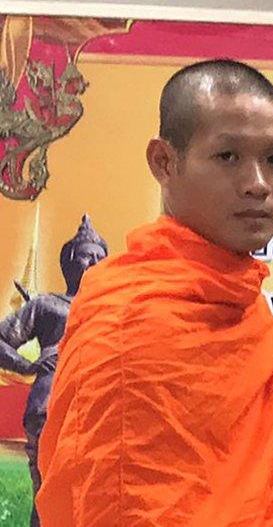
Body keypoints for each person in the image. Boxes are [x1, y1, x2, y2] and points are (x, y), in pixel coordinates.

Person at [36, 59, 273, 526]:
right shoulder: (130, 324)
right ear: (164, 162)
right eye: (228, 157)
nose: (258, 184)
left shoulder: (244, 307)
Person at [0, 214, 107, 526]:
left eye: (101, 257)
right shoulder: (47, 306)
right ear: (71, 261)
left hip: (98, 410)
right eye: (88, 255)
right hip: (49, 407)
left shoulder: (113, 309)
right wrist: (28, 365)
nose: (95, 263)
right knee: (47, 495)